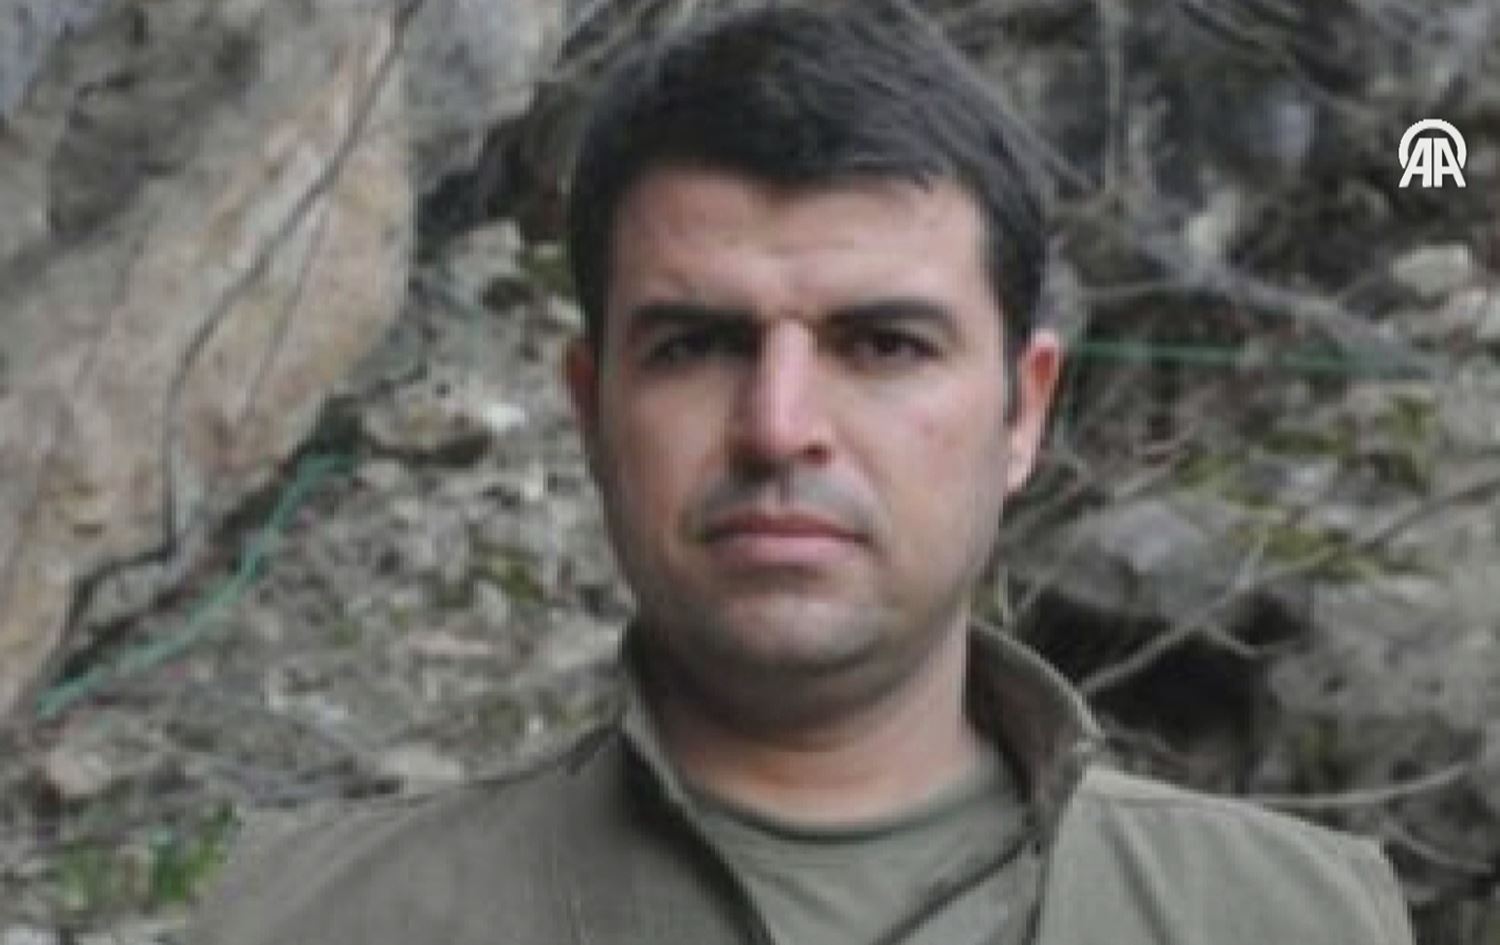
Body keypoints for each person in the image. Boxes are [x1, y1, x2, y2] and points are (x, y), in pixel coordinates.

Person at [191, 2, 1415, 943]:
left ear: (1023, 411)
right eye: (696, 345)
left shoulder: (1291, 920)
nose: (779, 428)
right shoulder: (315, 922)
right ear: (591, 409)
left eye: (883, 345)